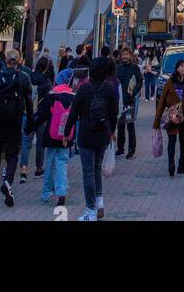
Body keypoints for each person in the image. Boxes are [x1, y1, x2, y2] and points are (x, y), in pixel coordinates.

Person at [65, 55, 118, 221]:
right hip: (103, 135)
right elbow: (114, 114)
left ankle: (90, 210)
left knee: (88, 172)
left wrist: (67, 132)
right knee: (96, 168)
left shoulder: (84, 89)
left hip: (86, 135)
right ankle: (99, 201)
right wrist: (111, 131)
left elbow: (73, 114)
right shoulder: (110, 88)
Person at [0, 48, 34, 208]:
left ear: (6, 61)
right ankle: (7, 182)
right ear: (19, 61)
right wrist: (31, 121)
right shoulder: (23, 78)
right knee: (12, 155)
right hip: (15, 121)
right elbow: (29, 103)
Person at [33, 68, 74, 210]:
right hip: (66, 135)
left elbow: (42, 114)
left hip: (51, 134)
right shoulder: (73, 96)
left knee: (49, 162)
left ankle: (46, 192)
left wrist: (31, 127)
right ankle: (62, 191)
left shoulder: (52, 95)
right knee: (62, 162)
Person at [154, 57, 184, 176]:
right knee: (172, 141)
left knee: (183, 141)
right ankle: (171, 164)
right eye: (181, 66)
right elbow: (162, 100)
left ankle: (181, 163)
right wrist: (157, 121)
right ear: (177, 68)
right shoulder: (170, 81)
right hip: (171, 115)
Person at [19, 55, 52, 182]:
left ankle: (23, 170)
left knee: (26, 143)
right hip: (41, 116)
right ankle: (39, 169)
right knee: (40, 143)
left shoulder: (29, 77)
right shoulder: (46, 81)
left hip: (27, 114)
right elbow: (49, 101)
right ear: (46, 68)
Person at [115, 45, 143, 159]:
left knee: (130, 126)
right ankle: (120, 149)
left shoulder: (135, 68)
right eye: (123, 55)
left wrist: (135, 91)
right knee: (120, 126)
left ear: (130, 56)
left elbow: (140, 81)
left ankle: (132, 150)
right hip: (120, 101)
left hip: (130, 101)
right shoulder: (118, 68)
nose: (125, 57)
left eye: (127, 54)